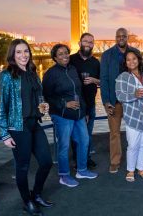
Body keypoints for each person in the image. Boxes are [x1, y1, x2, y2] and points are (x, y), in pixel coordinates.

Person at [0, 39, 53, 216]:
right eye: (19, 52)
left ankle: (36, 194)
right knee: (23, 167)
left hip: (34, 124)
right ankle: (26, 202)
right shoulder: (7, 76)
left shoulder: (33, 74)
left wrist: (43, 107)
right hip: (18, 128)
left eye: (26, 51)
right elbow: (2, 107)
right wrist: (5, 134)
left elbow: (39, 98)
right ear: (13, 55)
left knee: (46, 162)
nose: (23, 55)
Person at [42, 43, 98, 188]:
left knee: (84, 141)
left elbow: (79, 93)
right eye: (60, 54)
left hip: (78, 114)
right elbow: (46, 96)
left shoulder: (73, 69)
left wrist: (84, 111)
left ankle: (82, 170)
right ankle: (64, 175)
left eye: (66, 53)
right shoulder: (50, 74)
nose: (64, 56)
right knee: (64, 146)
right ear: (54, 57)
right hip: (62, 115)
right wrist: (64, 104)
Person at [115, 49, 143, 182]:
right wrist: (134, 95)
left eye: (134, 58)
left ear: (139, 59)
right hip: (133, 116)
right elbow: (120, 96)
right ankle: (130, 170)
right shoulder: (122, 77)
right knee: (133, 144)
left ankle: (140, 168)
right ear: (125, 62)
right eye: (128, 59)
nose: (131, 62)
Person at [100, 27, 141, 173]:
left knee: (136, 130)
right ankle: (115, 161)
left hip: (132, 100)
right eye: (119, 36)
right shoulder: (107, 55)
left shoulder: (135, 53)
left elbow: (141, 74)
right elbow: (103, 79)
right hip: (114, 100)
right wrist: (106, 101)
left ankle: (137, 159)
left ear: (127, 37)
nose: (121, 38)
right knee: (115, 133)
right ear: (115, 37)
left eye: (124, 36)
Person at [70, 32, 100, 168]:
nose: (88, 44)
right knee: (76, 136)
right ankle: (77, 160)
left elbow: (103, 82)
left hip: (90, 104)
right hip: (75, 105)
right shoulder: (70, 60)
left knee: (87, 134)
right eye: (86, 41)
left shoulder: (95, 62)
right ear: (80, 43)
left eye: (91, 42)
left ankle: (86, 158)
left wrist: (94, 80)